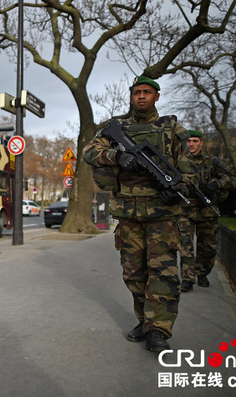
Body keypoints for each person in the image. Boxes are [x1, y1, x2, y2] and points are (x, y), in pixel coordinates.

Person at [83, 76, 194, 352]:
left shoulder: (172, 130)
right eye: (136, 92)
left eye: (147, 92)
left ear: (157, 96)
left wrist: (178, 188)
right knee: (133, 273)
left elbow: (190, 173)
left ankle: (159, 330)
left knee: (163, 275)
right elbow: (89, 152)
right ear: (131, 96)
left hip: (162, 215)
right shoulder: (117, 128)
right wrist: (117, 157)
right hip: (129, 215)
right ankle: (145, 320)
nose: (141, 96)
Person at [180, 130, 236, 292]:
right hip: (186, 210)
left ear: (201, 143)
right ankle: (187, 278)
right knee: (186, 246)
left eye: (195, 141)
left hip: (207, 211)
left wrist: (215, 185)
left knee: (208, 246)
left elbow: (232, 178)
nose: (191, 144)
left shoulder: (212, 162)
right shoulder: (180, 162)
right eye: (189, 141)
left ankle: (202, 273)